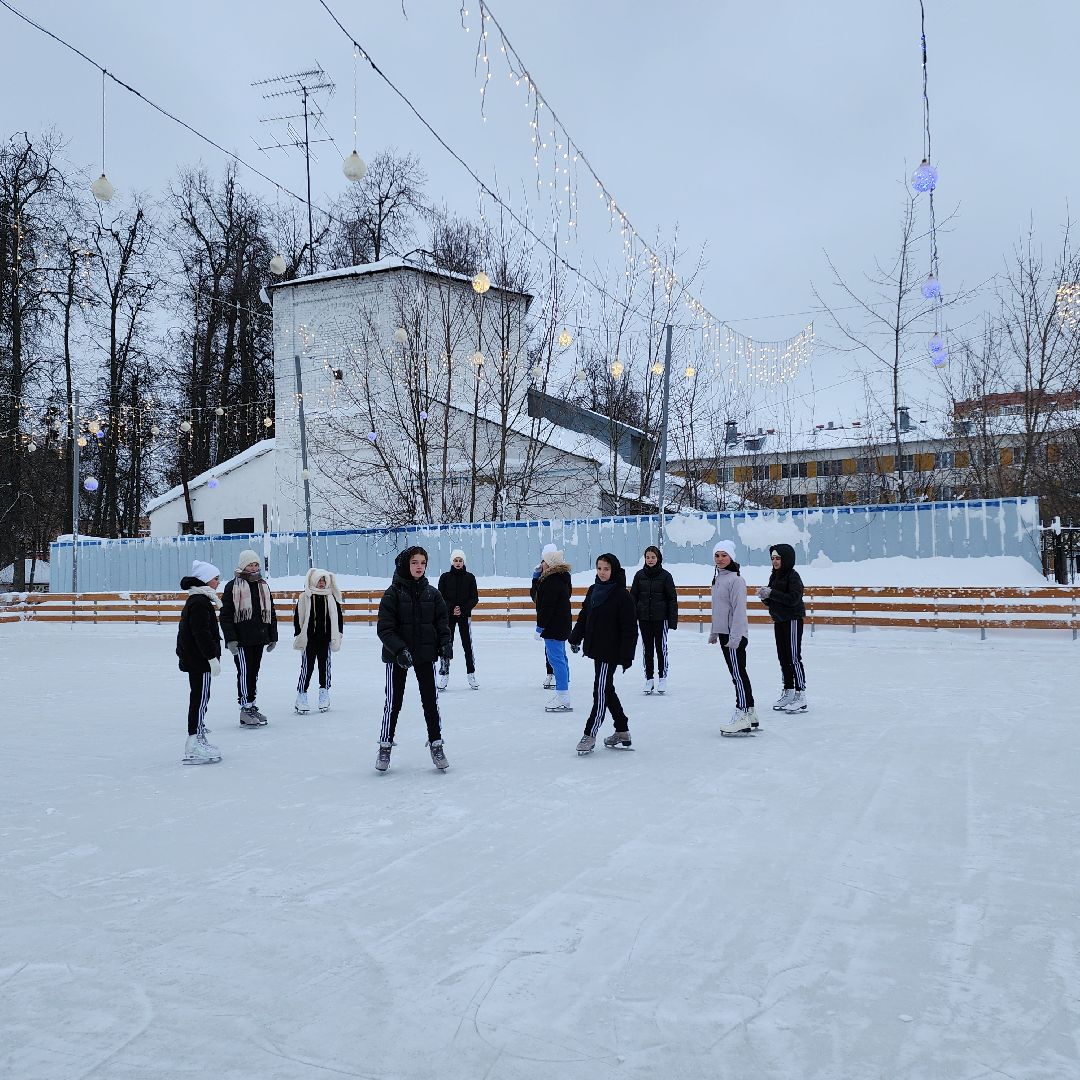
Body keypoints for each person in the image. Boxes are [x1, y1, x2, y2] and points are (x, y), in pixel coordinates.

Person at [376, 545, 453, 772]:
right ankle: (385, 745)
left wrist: (445, 647)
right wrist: (400, 650)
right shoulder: (392, 594)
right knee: (393, 702)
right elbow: (385, 628)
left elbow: (442, 624)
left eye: (422, 563)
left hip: (425, 655)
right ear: (405, 565)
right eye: (414, 563)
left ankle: (436, 744)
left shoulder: (433, 593)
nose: (419, 567)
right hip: (397, 656)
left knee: (430, 701)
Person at [568, 553, 638, 754]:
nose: (602, 572)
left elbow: (630, 628)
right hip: (597, 648)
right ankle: (622, 730)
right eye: (599, 568)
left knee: (599, 691)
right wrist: (575, 637)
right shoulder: (593, 590)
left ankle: (590, 734)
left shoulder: (621, 595)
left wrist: (626, 654)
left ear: (613, 570)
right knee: (607, 689)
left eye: (606, 569)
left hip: (611, 651)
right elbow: (584, 616)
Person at [220, 548, 278, 727]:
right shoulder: (232, 586)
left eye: (256, 565)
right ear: (243, 566)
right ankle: (245, 708)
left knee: (254, 672)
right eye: (250, 565)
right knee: (245, 673)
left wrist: (272, 636)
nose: (253, 568)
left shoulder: (262, 584)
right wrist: (230, 639)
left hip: (259, 638)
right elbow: (226, 615)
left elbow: (271, 612)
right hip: (242, 640)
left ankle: (252, 705)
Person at [708, 539, 759, 736]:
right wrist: (715, 631)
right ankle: (751, 712)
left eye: (724, 555)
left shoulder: (736, 580)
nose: (720, 559)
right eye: (717, 555)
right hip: (724, 634)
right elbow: (718, 609)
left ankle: (742, 714)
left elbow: (739, 611)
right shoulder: (718, 578)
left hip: (734, 636)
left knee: (738, 675)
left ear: (731, 557)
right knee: (738, 673)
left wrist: (736, 637)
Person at [175, 559, 223, 765]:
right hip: (199, 660)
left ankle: (199, 735)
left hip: (196, 659)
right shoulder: (199, 602)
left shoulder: (199, 599)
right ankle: (193, 742)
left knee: (201, 698)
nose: (218, 582)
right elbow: (201, 633)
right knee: (199, 699)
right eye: (215, 579)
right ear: (205, 580)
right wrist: (211, 657)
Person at [758, 543, 808, 713]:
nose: (775, 561)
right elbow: (776, 599)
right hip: (779, 620)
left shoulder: (793, 576)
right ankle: (789, 690)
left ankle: (801, 695)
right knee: (783, 657)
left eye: (778, 558)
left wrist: (772, 594)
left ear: (786, 559)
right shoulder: (774, 576)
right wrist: (765, 598)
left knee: (793, 657)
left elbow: (793, 599)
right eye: (772, 558)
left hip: (792, 620)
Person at [292, 567, 344, 714]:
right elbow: (298, 617)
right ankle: (301, 695)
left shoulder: (331, 597)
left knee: (324, 667)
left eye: (324, 580)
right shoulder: (305, 597)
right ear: (313, 580)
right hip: (309, 640)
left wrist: (339, 633)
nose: (321, 583)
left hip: (325, 639)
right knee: (307, 667)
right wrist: (299, 633)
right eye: (319, 580)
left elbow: (338, 617)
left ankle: (324, 692)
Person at [629, 545, 679, 694]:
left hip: (660, 618)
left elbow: (672, 599)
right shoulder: (639, 575)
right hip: (644, 618)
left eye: (653, 557)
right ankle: (649, 679)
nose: (650, 560)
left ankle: (662, 678)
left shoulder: (665, 576)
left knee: (661, 649)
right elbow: (633, 597)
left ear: (658, 558)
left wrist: (672, 620)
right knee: (647, 649)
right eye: (647, 557)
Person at [534, 547, 573, 712]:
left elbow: (546, 608)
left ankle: (563, 696)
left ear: (549, 564)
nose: (541, 564)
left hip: (554, 627)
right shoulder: (561, 578)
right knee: (561, 658)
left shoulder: (550, 582)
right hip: (561, 625)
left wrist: (539, 627)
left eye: (543, 561)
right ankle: (564, 690)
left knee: (556, 660)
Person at [437, 548, 479, 690]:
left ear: (463, 562)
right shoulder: (444, 577)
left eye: (460, 560)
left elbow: (474, 598)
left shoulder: (470, 577)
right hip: (448, 617)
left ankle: (471, 673)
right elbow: (440, 597)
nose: (458, 563)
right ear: (452, 561)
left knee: (467, 645)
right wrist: (451, 608)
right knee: (447, 644)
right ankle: (444, 674)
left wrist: (462, 609)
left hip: (464, 616)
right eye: (456, 560)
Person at [531, 542, 558, 689]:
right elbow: (535, 596)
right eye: (544, 561)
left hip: (556, 618)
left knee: (557, 649)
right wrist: (535, 578)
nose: (545, 564)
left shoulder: (561, 576)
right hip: (544, 616)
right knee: (548, 647)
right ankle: (550, 673)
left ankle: (559, 674)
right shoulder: (541, 577)